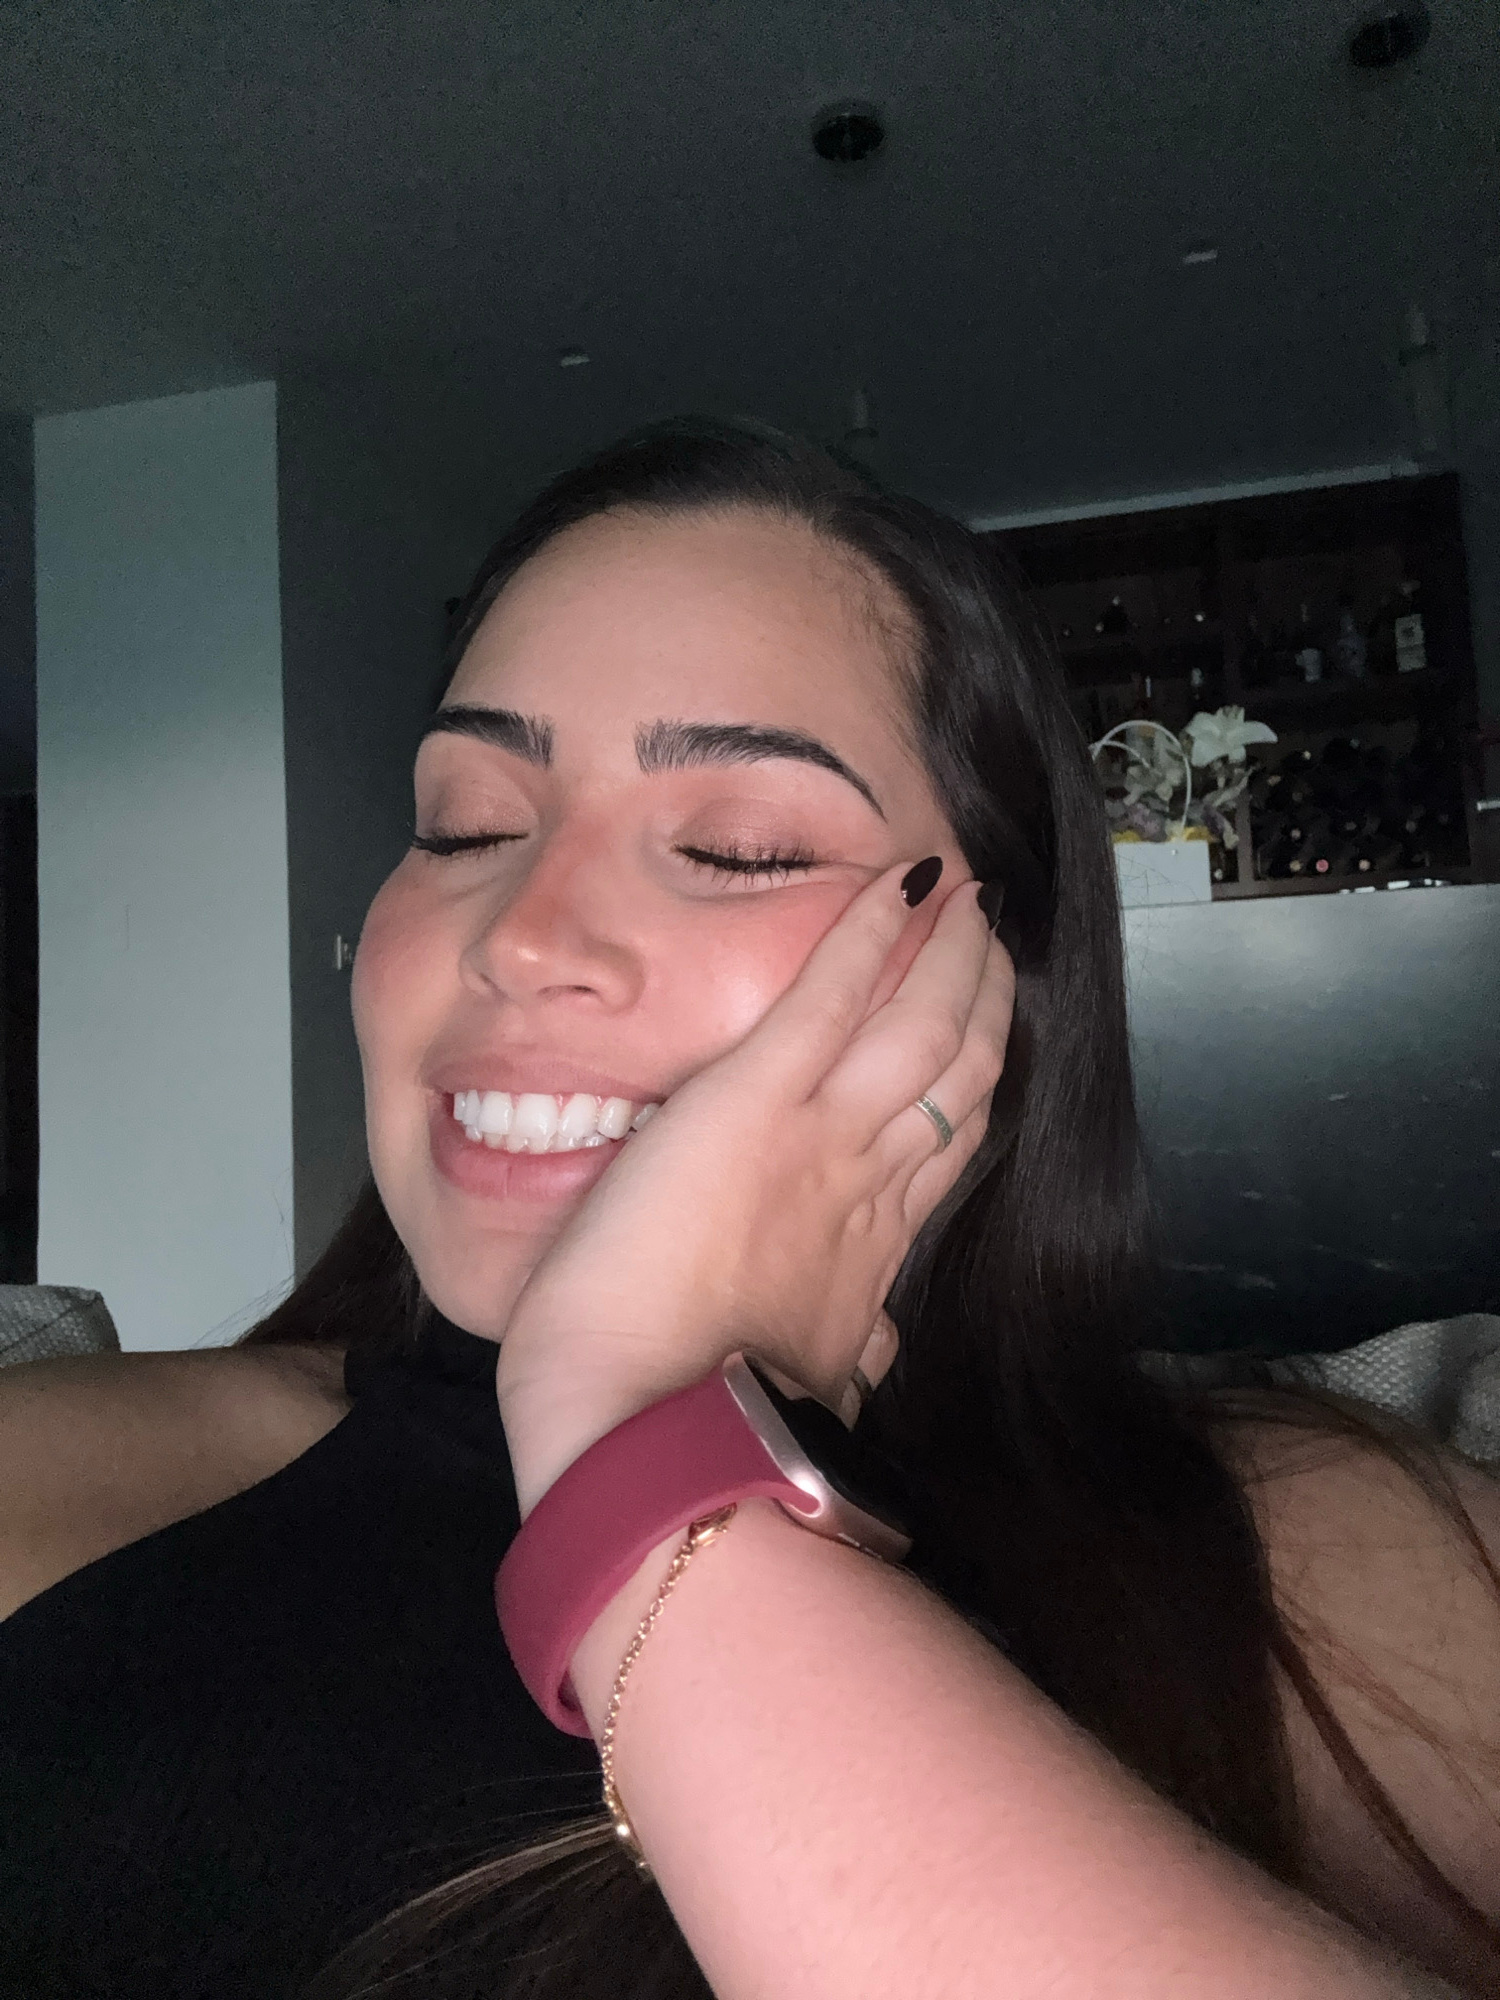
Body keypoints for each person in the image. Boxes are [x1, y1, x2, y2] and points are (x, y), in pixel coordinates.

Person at [1, 419, 1496, 2000]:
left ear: (998, 979)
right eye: (466, 825)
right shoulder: (54, 1475)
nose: (522, 935)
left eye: (738, 848)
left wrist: (642, 1428)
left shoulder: (1331, 1582)